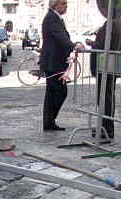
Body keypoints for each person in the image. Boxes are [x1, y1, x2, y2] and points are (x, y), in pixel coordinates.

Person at [40, 0, 83, 131]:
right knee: (60, 91)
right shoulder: (52, 18)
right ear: (55, 5)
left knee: (52, 92)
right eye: (63, 3)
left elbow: (61, 37)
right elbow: (60, 37)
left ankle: (49, 122)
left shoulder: (55, 18)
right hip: (53, 62)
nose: (66, 6)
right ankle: (49, 120)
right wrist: (74, 45)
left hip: (54, 62)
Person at [86, 16, 121, 140]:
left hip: (106, 66)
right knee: (107, 98)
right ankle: (105, 127)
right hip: (109, 66)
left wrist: (91, 42)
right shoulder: (118, 22)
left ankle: (107, 129)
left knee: (105, 99)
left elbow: (103, 45)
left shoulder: (113, 22)